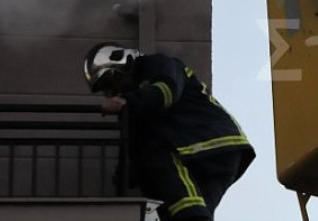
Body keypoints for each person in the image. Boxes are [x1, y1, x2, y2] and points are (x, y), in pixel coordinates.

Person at [84, 42, 255, 221]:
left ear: (122, 63)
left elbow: (166, 91)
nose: (114, 91)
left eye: (111, 81)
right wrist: (124, 174)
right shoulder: (136, 104)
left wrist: (128, 101)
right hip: (219, 153)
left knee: (156, 154)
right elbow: (133, 141)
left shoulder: (156, 64)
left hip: (205, 140)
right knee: (182, 209)